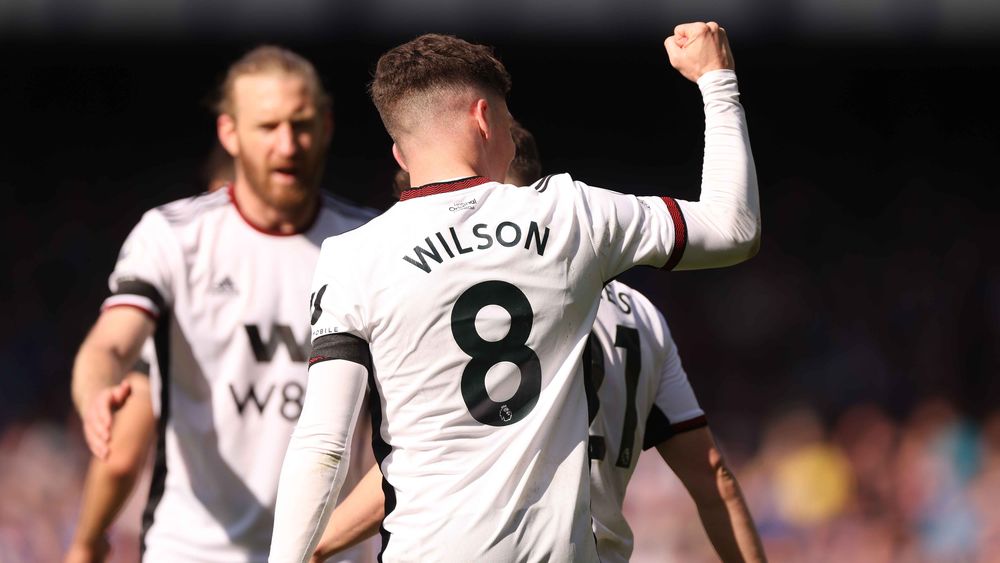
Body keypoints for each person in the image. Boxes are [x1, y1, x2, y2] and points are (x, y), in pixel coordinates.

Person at [270, 22, 760, 562]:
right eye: (505, 117)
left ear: (401, 155)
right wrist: (717, 79)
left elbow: (322, 445)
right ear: (484, 118)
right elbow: (734, 227)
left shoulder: (352, 256)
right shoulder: (570, 215)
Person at [69, 45, 380, 563]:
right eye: (268, 126)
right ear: (229, 133)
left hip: (324, 554)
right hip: (192, 550)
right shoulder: (172, 237)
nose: (288, 144)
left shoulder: (370, 242)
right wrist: (96, 392)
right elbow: (110, 342)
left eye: (301, 124)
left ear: (326, 126)